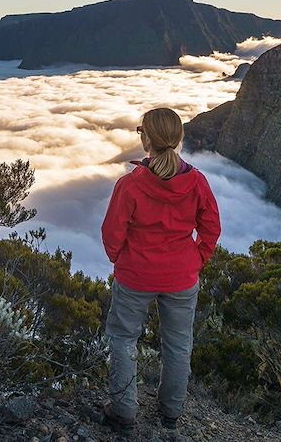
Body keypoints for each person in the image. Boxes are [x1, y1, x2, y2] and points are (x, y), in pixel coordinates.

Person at [100, 107, 221, 435]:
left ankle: (123, 411)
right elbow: (211, 227)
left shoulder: (131, 185)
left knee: (124, 338)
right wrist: (196, 260)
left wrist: (120, 260)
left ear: (146, 139)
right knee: (178, 344)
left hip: (135, 275)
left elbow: (112, 234)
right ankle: (171, 413)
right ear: (178, 140)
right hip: (182, 277)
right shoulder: (196, 182)